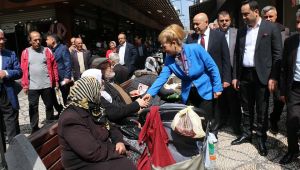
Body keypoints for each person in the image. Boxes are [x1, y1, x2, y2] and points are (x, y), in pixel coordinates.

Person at [143, 24, 223, 126]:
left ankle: (211, 136)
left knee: (206, 118)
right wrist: (150, 93)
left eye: (164, 46)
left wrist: (217, 87)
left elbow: (212, 67)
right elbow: (162, 78)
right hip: (188, 91)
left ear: (174, 43)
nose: (163, 50)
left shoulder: (196, 49)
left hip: (204, 88)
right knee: (192, 120)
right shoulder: (169, 59)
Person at [231, 0, 282, 157]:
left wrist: (274, 77)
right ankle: (247, 133)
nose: (244, 17)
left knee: (262, 109)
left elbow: (277, 54)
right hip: (244, 75)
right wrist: (235, 77)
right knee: (246, 107)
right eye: (242, 14)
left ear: (256, 12)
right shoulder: (241, 31)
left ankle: (261, 137)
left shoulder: (271, 28)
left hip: (262, 75)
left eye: (246, 14)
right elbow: (237, 55)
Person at [58, 76, 136, 170]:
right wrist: (117, 152)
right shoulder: (71, 118)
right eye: (97, 91)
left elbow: (110, 127)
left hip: (101, 151)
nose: (99, 94)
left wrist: (118, 141)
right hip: (83, 163)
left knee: (137, 151)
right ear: (89, 92)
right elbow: (91, 151)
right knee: (127, 165)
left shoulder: (93, 108)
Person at [186, 12, 231, 136]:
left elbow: (225, 58)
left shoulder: (219, 36)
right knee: (201, 104)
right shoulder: (191, 38)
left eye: (197, 23)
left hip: (215, 77)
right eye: (193, 24)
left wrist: (226, 78)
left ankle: (213, 130)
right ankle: (201, 129)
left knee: (215, 105)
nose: (195, 26)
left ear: (206, 22)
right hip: (198, 80)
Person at [21, 31, 59, 133]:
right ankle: (34, 128)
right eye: (35, 40)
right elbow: (24, 70)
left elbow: (54, 66)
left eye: (39, 40)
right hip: (33, 86)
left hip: (47, 84)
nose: (38, 42)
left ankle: (50, 125)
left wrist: (56, 81)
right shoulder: (25, 52)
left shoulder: (47, 50)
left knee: (49, 105)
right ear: (30, 41)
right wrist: (25, 85)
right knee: (33, 107)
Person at [261, 5, 290, 134]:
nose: (268, 19)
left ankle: (274, 119)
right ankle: (262, 123)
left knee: (279, 99)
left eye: (270, 16)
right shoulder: (258, 31)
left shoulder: (285, 31)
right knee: (262, 101)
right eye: (265, 17)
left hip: (279, 71)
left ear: (276, 16)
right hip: (262, 71)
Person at [95, 60, 148, 124]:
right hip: (126, 118)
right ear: (101, 71)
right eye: (109, 67)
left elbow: (118, 94)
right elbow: (116, 110)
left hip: (130, 112)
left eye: (111, 65)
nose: (112, 67)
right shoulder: (103, 88)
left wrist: (129, 94)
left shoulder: (110, 81)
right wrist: (136, 106)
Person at [279, 9, 300, 164]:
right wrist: (283, 90)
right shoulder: (290, 42)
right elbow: (285, 69)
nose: (298, 26)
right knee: (291, 121)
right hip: (294, 88)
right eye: (298, 21)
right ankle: (292, 150)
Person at [216, 11, 242, 135]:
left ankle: (236, 125)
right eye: (221, 20)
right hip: (219, 72)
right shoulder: (214, 34)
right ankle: (222, 121)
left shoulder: (237, 33)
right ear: (218, 22)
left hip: (234, 71)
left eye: (226, 20)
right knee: (221, 99)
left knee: (234, 100)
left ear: (230, 21)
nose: (224, 22)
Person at [0, 29, 22, 143]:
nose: (2, 41)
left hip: (7, 94)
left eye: (3, 38)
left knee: (12, 125)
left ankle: (15, 153)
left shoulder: (10, 54)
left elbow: (19, 72)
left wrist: (6, 73)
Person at [46, 33, 72, 113]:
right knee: (53, 97)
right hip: (53, 78)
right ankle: (60, 111)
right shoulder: (49, 50)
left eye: (47, 39)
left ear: (53, 40)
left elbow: (67, 63)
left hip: (63, 77)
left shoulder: (63, 48)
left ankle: (69, 113)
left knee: (65, 96)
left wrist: (67, 77)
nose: (46, 41)